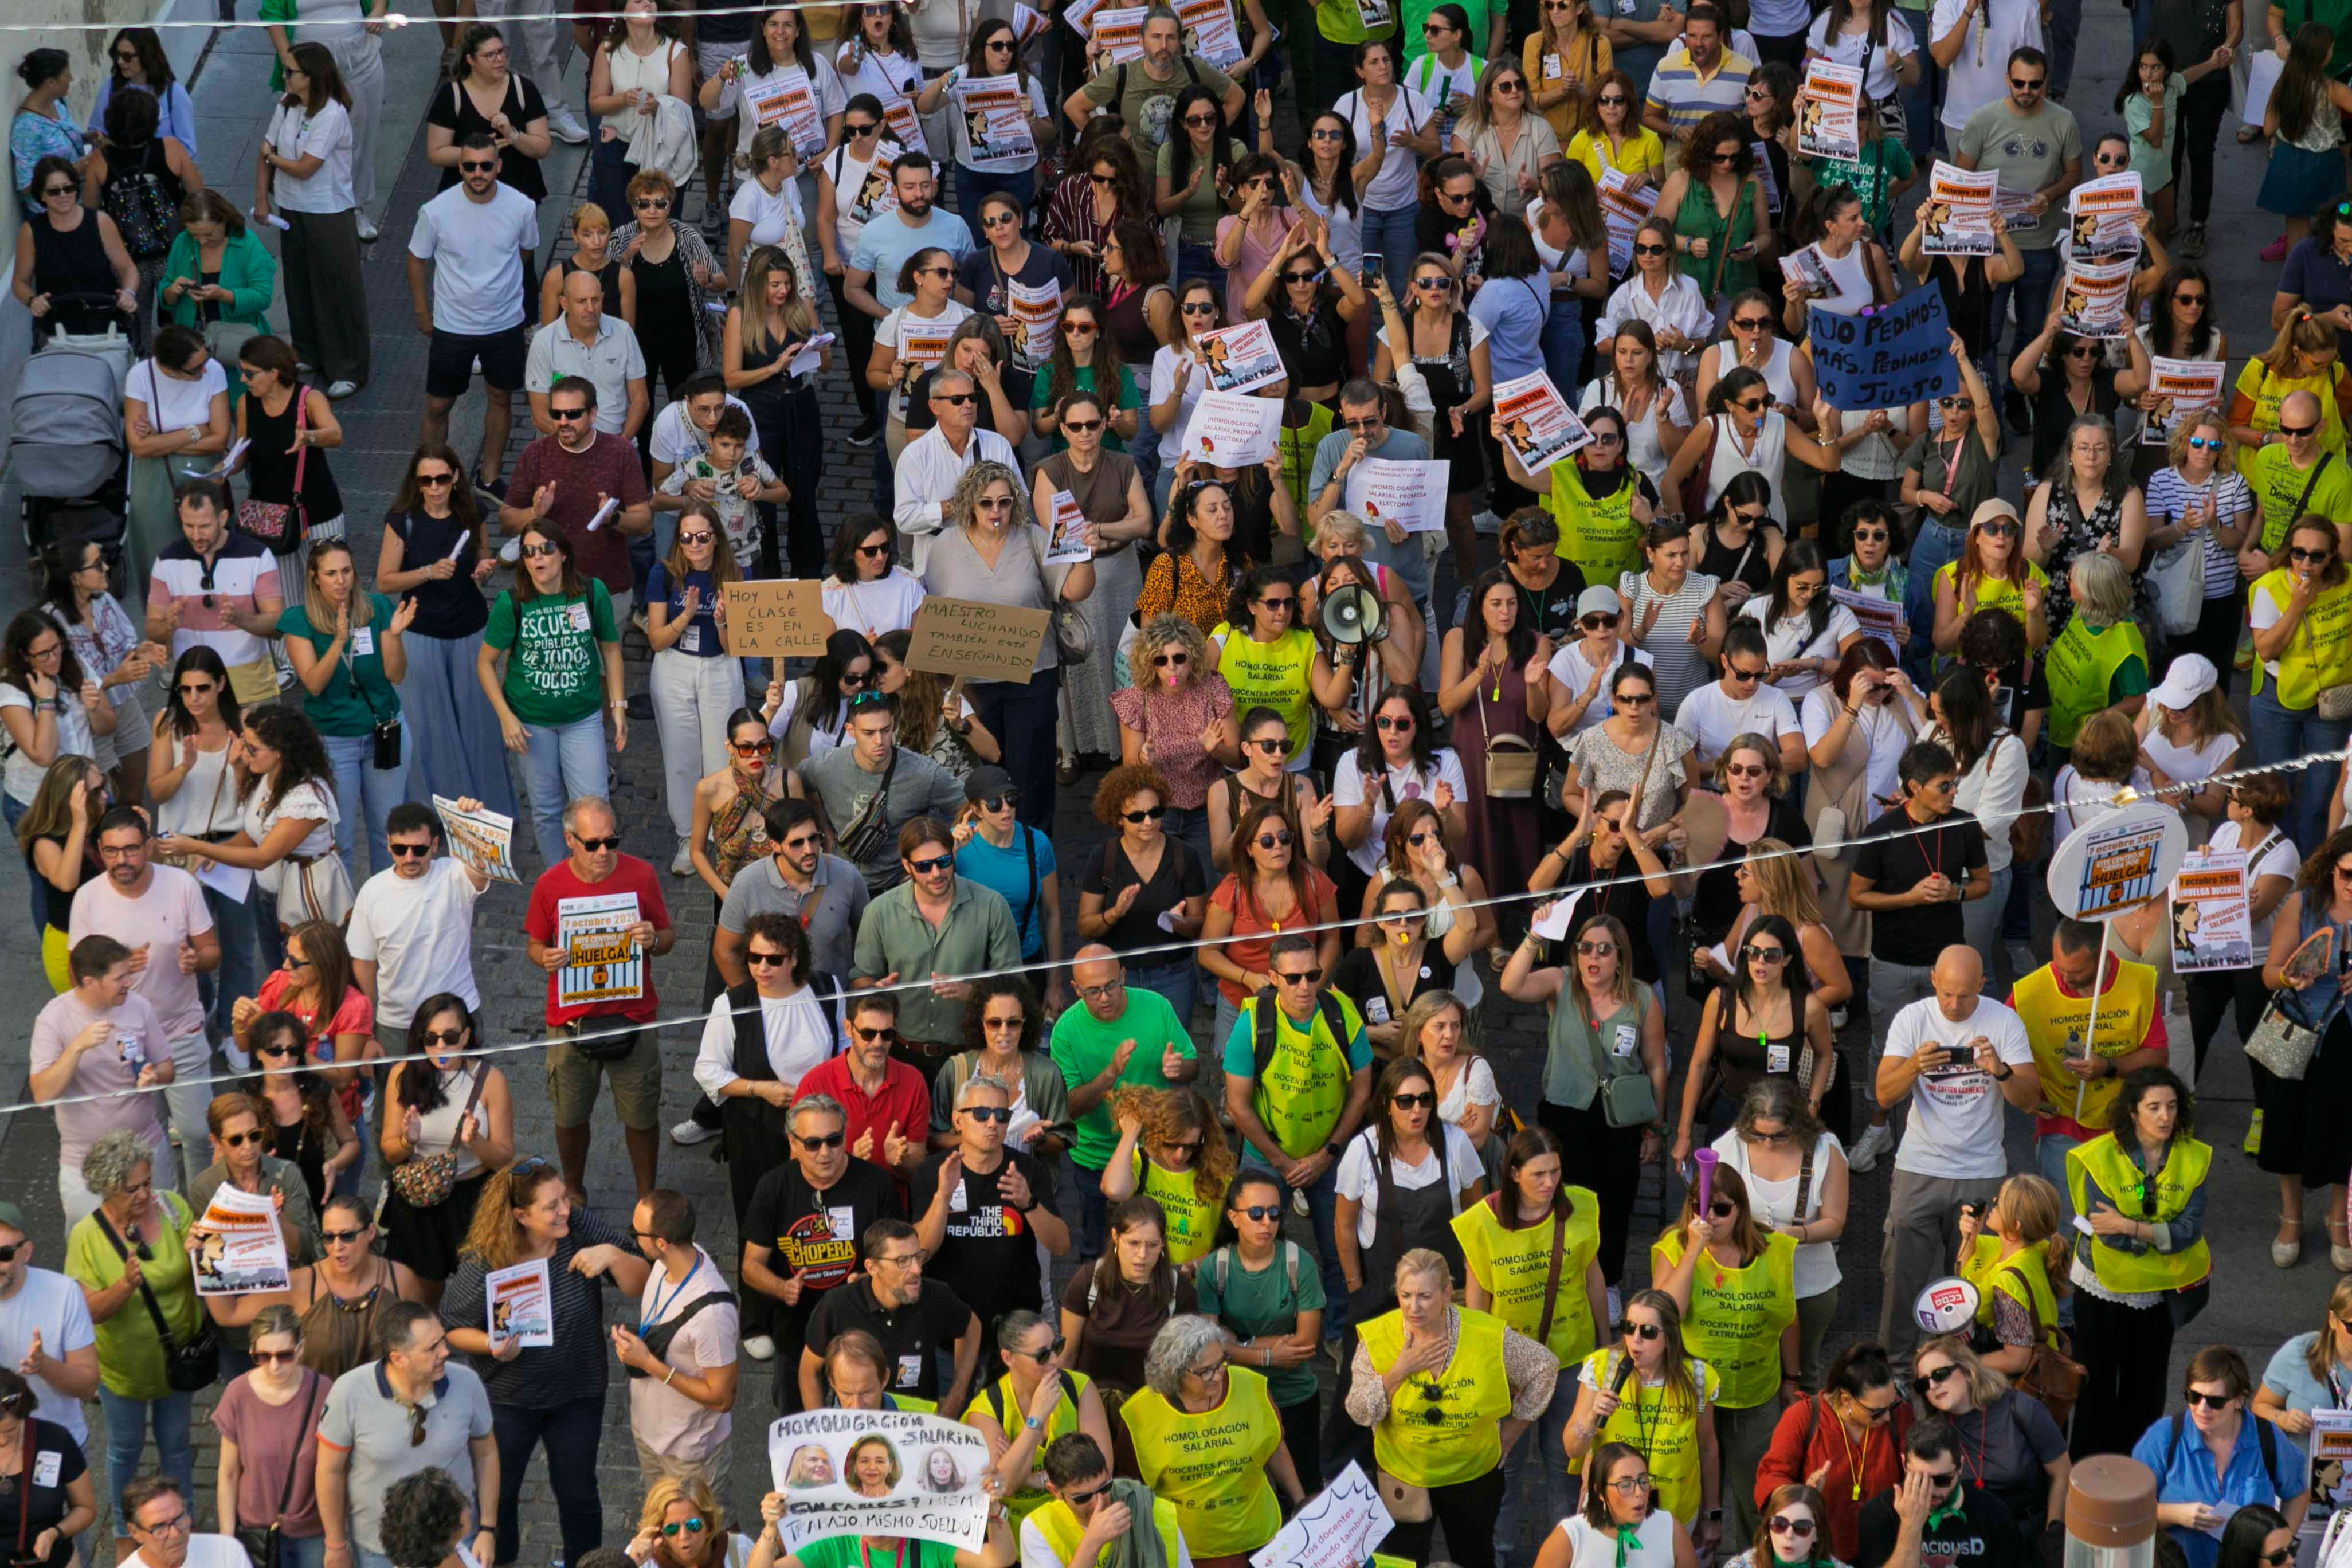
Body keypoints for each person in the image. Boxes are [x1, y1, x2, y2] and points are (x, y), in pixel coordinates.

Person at [440, 1159, 647, 1568]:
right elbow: (451, 1326)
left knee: (579, 1494)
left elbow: (638, 1282)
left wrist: (611, 1255)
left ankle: (584, 1564)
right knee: (502, 1493)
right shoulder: (486, 1260)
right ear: (520, 1215)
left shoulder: (578, 1229)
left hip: (579, 1393)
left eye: (564, 1200)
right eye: (552, 1207)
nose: (565, 1211)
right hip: (508, 1400)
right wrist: (490, 1344)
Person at [1348, 1248, 1555, 1567]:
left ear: (1447, 1294)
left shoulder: (1485, 1334)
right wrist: (1397, 1372)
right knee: (1404, 1561)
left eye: (1425, 1297)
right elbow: (1359, 1412)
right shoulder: (1379, 1338)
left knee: (1474, 1557)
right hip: (1406, 1474)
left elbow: (1543, 1367)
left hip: (1471, 1475)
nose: (1413, 1308)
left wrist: (1513, 1430)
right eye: (1405, 1295)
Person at [1454, 1127, 1606, 1549]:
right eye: (1539, 1174)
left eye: (1556, 1172)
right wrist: (1480, 1368)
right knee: (1503, 1472)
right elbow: (1476, 1305)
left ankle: (1566, 1556)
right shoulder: (1483, 1224)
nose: (1550, 1183)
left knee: (1565, 1472)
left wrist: (1606, 1342)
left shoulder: (1580, 1208)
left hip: (1572, 1359)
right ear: (1514, 1173)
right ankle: (1499, 1556)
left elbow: (1592, 1276)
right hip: (1510, 1370)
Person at [523, 797, 673, 1202]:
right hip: (570, 1022)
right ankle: (573, 1190)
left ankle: (647, 1198)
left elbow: (667, 936)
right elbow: (535, 944)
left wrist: (653, 940)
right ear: (570, 840)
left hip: (634, 1018)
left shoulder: (641, 876)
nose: (604, 852)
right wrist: (546, 958)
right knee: (569, 1117)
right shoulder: (549, 885)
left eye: (612, 841)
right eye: (593, 844)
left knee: (642, 1117)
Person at [2062, 1067, 2210, 1461]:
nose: (2165, 1116)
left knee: (2145, 1389)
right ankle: (2088, 1475)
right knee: (2095, 1386)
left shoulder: (2194, 1158)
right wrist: (2160, 1235)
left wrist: (2130, 1226)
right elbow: (2104, 1235)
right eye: (2154, 1107)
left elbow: (2189, 1231)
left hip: (2157, 1294)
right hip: (2102, 1288)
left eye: (2173, 1106)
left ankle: (2137, 1470)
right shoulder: (2099, 1157)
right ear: (2133, 1112)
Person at [1652, 1165, 1798, 1542]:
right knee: (1694, 1486)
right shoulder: (1673, 1247)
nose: (1709, 1218)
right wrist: (1693, 1251)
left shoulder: (1773, 1250)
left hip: (1756, 1390)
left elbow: (1788, 1318)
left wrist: (1792, 1377)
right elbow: (1667, 1314)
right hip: (1694, 1392)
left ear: (1740, 1210)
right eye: (1699, 1208)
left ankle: (1759, 1555)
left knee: (1758, 1491)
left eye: (1720, 1209)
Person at [63, 1129, 197, 1531]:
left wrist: (203, 1251)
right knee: (125, 1449)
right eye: (131, 1189)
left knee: (176, 1447)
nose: (144, 1195)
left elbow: (205, 1263)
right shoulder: (86, 1236)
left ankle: (181, 1520)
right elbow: (86, 1311)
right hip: (123, 1372)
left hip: (178, 1363)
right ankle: (126, 1529)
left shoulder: (171, 1208)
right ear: (106, 1189)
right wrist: (124, 1286)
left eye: (147, 1183)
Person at [477, 519, 626, 869]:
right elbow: (485, 664)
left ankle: (594, 880)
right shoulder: (511, 604)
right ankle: (559, 882)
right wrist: (505, 716)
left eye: (546, 549)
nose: (537, 558)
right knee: (545, 809)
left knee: (593, 804)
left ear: (563, 554)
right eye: (528, 552)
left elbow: (611, 649)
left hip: (583, 718)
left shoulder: (592, 592)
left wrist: (618, 706)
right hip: (531, 723)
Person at [374, 449, 511, 817]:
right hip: (422, 634)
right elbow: (385, 580)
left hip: (469, 631)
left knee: (478, 727)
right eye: (426, 480)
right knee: (427, 733)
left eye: (442, 479)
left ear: (455, 478)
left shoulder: (472, 514)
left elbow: (482, 560)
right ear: (416, 483)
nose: (434, 487)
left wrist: (482, 572)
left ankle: (484, 814)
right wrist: (428, 573)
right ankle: (432, 817)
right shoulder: (403, 521)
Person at [314, 1300, 500, 1568]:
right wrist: (335, 1544)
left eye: (442, 1342)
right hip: (377, 1552)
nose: (446, 1352)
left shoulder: (467, 1383)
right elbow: (330, 1471)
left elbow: (487, 1454)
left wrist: (487, 1529)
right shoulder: (349, 1392)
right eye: (432, 1348)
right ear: (398, 1359)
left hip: (454, 1545)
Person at [406, 140, 543, 497]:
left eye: (485, 165)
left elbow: (526, 251)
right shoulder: (436, 211)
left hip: (505, 323)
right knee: (438, 404)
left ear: (498, 166)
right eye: (470, 166)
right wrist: (423, 311)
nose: (477, 173)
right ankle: (433, 475)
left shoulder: (521, 206)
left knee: (501, 397)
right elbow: (416, 258)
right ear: (460, 168)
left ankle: (489, 478)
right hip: (453, 326)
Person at [1950, 48, 2076, 421]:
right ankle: (1986, 399)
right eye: (2019, 83)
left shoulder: (2064, 121)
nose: (2026, 90)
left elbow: (2073, 175)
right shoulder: (1982, 121)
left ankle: (2014, 392)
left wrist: (2049, 195)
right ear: (2007, 80)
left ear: (2045, 83)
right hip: (1990, 252)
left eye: (2035, 85)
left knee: (2032, 327)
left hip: (2038, 246)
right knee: (1984, 335)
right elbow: (1961, 179)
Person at [1053, 947, 1201, 1259]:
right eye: (1092, 991)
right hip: (1097, 1158)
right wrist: (1110, 1074)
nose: (1104, 997)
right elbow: (1069, 1107)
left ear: (1123, 977)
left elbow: (1193, 1066)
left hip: (1157, 1154)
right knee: (1099, 1249)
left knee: (1158, 1246)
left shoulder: (1157, 1006)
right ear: (1076, 989)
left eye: (1110, 986)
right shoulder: (1065, 1031)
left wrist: (1177, 1068)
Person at [1123, 1317, 1306, 1565]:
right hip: (1183, 1549)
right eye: (1205, 1371)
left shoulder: (1251, 1385)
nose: (1219, 1376)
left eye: (1221, 1363)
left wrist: (1300, 1502)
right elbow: (1129, 1488)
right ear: (1173, 1372)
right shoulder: (1140, 1413)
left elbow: (1274, 1447)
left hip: (1256, 1540)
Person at [911, 1072, 1070, 1356]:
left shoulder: (1028, 1170)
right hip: (949, 1330)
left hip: (1015, 1332)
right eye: (982, 1114)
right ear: (958, 1120)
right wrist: (942, 1197)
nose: (993, 1123)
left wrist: (1029, 1204)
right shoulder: (933, 1171)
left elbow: (1061, 1245)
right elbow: (920, 1251)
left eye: (1002, 1115)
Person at [1712, 1078, 1846, 1390]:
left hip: (1809, 1285)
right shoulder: (1728, 1148)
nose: (1768, 1143)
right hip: (1745, 1283)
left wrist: (1795, 1234)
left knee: (1804, 1372)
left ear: (1798, 1124)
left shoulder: (1826, 1151)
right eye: (1759, 1135)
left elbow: (1835, 1222)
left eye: (1779, 1136)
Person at [376, 998, 510, 1306]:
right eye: (431, 1038)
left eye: (450, 1037)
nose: (441, 1047)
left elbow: (504, 1157)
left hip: (475, 1199)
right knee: (422, 1297)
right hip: (420, 1197)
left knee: (479, 1293)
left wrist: (475, 1141)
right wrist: (409, 1142)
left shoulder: (490, 1080)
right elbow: (389, 1152)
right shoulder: (402, 1075)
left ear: (465, 1037)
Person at [33, 937, 175, 1225]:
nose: (129, 982)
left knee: (164, 1235)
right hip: (86, 1163)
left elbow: (167, 1068)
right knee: (92, 1251)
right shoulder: (53, 1018)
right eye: (120, 977)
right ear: (91, 982)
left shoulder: (139, 1007)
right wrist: (77, 1047)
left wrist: (155, 1076)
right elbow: (42, 1095)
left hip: (145, 1149)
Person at [257, 45, 367, 401]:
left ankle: (348, 366)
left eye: (290, 72)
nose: (284, 77)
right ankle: (309, 352)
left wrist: (273, 158)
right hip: (291, 208)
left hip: (327, 211)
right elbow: (265, 151)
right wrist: (262, 198)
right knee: (299, 282)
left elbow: (305, 168)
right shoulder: (286, 106)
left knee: (335, 289)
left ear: (312, 77)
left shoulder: (332, 115)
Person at [2133, 1349, 2310, 1568]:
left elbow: (2297, 1493)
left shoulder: (2267, 1437)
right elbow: (2128, 1514)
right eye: (2193, 1397)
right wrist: (2175, 1515)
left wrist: (2279, 1549)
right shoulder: (2163, 1437)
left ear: (2239, 1400)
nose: (2202, 1409)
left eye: (2215, 1401)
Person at [1565, 1289, 1722, 1529]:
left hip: (1673, 1512)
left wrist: (1712, 1514)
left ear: (1669, 1337)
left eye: (1648, 1332)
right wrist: (1591, 1416)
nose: (1635, 1340)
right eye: (1629, 1327)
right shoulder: (1602, 1367)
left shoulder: (1698, 1378)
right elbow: (1572, 1448)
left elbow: (1708, 1448)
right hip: (1610, 1509)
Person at [616, 1191, 738, 1495]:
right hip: (650, 1433)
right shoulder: (669, 1261)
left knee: (710, 1533)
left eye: (636, 1232)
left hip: (689, 1453)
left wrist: (648, 1363)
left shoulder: (712, 1315)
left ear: (661, 1243)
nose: (631, 1236)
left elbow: (722, 1398)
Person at [799, 1217, 981, 1413]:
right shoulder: (838, 1305)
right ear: (872, 1267)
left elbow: (972, 1327)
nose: (917, 1270)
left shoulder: (936, 1298)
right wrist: (819, 1430)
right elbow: (809, 1371)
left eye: (918, 1257)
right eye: (902, 1261)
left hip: (917, 1425)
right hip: (854, 1421)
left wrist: (957, 1395)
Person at [2249, 519, 2352, 846]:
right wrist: (2296, 606)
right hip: (2277, 700)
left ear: (2334, 555)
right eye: (2298, 552)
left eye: (2317, 556)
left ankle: (2311, 871)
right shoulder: (2269, 586)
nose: (2306, 563)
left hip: (2331, 704)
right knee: (2275, 792)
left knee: (2321, 797)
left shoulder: (2349, 583)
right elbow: (2266, 649)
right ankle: (2281, 865)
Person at [1753, 1344, 1908, 1559]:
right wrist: (1800, 1495)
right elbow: (1771, 1475)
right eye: (1877, 1412)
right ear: (1846, 1400)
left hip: (1884, 1551)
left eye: (1892, 1405)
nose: (1887, 1417)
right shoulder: (1802, 1417)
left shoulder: (1900, 1417)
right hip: (1821, 1553)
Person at [1911, 1336, 2069, 1534]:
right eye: (1924, 1384)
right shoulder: (1933, 1431)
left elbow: (2062, 1472)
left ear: (1968, 1371)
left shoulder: (2021, 1408)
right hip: (1970, 1537)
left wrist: (2053, 1533)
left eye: (1940, 1374)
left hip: (2026, 1530)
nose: (1933, 1386)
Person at [212, 1306, 327, 1568]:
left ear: (301, 1348)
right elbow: (229, 1474)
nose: (274, 1366)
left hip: (312, 1532)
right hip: (256, 1532)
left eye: (285, 1355)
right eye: (263, 1356)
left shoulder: (324, 1392)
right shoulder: (238, 1394)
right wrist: (227, 1540)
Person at [1060, 1197, 1198, 1396]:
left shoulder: (1180, 1291)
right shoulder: (1088, 1281)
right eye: (1133, 1243)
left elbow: (1187, 1364)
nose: (1142, 1255)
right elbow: (1068, 1355)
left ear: (1163, 1243)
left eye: (1152, 1245)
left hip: (1151, 1405)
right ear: (1115, 1236)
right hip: (1092, 1401)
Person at [793, 991, 934, 1181]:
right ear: (848, 1028)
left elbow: (917, 1167)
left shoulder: (913, 1081)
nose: (878, 1044)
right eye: (868, 1034)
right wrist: (847, 1163)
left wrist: (898, 1161)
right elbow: (798, 1164)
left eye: (887, 1034)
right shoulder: (815, 1083)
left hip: (891, 1204)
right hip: (835, 1206)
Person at [1856, 1420, 2024, 1568]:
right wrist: (1911, 1526)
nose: (1931, 1490)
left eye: (1942, 1480)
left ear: (1960, 1468)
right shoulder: (1878, 1513)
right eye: (1919, 1479)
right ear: (1904, 1465)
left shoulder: (1993, 1512)